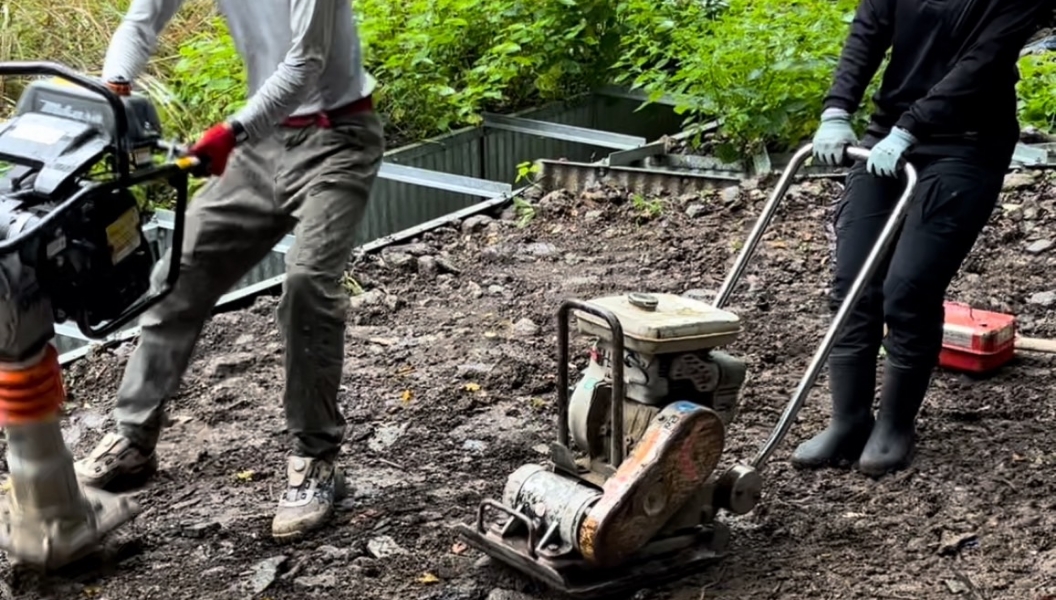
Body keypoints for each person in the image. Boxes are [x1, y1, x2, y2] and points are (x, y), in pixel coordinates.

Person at [74, 0, 384, 540]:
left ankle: (315, 459)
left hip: (338, 137)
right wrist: (115, 87)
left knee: (308, 283)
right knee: (179, 270)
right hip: (261, 146)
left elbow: (304, 63)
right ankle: (133, 438)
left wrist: (230, 133)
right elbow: (141, 20)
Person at [792, 0, 1051, 477]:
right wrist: (836, 108)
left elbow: (983, 61)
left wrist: (911, 127)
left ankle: (894, 426)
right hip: (886, 132)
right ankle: (847, 422)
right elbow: (867, 34)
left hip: (967, 142)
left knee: (908, 290)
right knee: (853, 283)